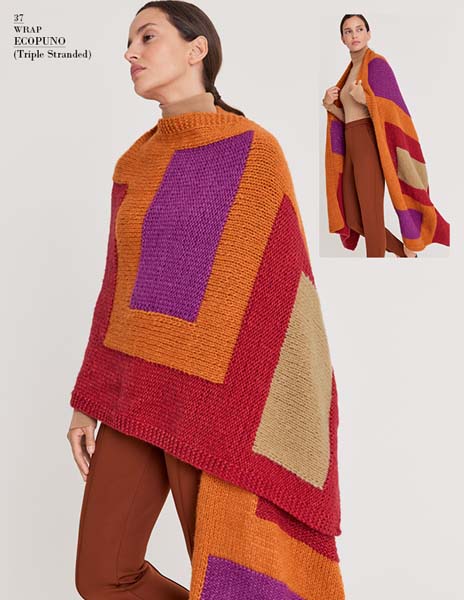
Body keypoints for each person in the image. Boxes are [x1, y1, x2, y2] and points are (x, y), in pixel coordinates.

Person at [67, 2, 345, 598]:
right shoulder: (133, 164)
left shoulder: (253, 151)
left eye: (147, 36)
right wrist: (87, 399)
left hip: (217, 400)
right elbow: (116, 288)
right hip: (137, 392)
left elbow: (283, 295)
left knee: (229, 581)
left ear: (198, 49)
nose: (130, 52)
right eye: (129, 41)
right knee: (101, 576)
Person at [322, 14, 417, 258]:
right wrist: (331, 106)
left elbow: (392, 109)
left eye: (359, 29)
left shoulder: (377, 65)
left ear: (368, 34)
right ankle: (405, 253)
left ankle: (375, 270)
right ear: (342, 39)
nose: (354, 35)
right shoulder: (350, 72)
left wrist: (366, 99)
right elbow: (349, 116)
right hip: (351, 143)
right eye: (348, 31)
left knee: (371, 216)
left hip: (368, 143)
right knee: (353, 217)